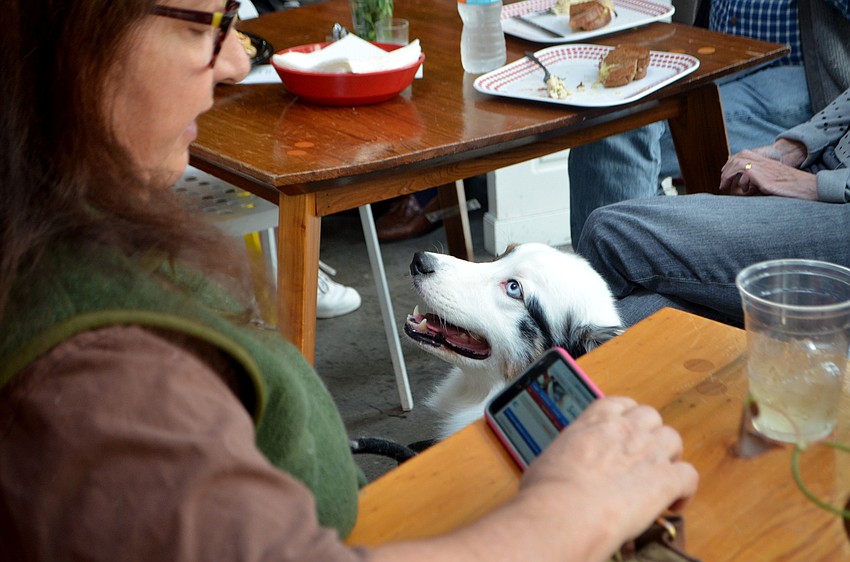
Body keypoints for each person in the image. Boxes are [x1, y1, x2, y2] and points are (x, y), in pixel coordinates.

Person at [0, 1, 698, 561]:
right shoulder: (94, 370)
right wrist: (571, 510)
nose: (238, 60)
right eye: (204, 26)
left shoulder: (67, 232)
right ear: (74, 38)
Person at [567, 0, 850, 245]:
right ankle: (634, 263)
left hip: (806, 78)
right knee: (606, 112)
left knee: (620, 126)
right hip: (717, 50)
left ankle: (623, 285)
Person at [577, 86, 850, 328]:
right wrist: (792, 149)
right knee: (631, 320)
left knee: (608, 232)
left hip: (838, 202)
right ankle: (556, 379)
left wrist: (815, 185)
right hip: (824, 161)